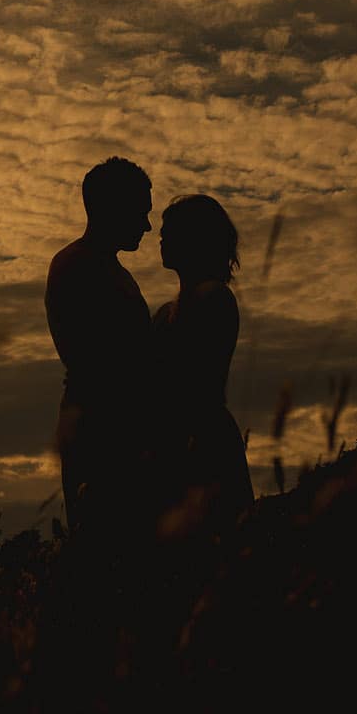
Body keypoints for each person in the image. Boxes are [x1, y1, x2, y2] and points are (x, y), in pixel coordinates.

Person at [44, 156, 154, 546]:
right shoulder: (78, 265)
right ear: (113, 208)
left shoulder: (111, 270)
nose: (147, 225)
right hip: (102, 433)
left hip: (116, 429)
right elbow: (99, 359)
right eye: (140, 212)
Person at [148, 194, 254, 540]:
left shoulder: (214, 299)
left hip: (202, 444)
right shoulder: (168, 311)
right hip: (178, 444)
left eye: (170, 231)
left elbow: (191, 381)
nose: (161, 238)